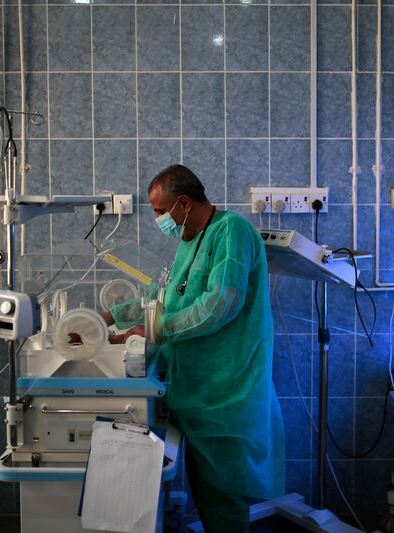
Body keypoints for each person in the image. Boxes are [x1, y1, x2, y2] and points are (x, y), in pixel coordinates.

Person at [101, 164, 285, 532]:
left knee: (225, 495)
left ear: (183, 203)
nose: (157, 219)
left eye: (158, 210)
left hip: (227, 390)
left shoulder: (232, 233)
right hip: (199, 390)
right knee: (206, 491)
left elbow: (219, 305)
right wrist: (107, 317)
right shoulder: (190, 242)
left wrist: (152, 329)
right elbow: (163, 298)